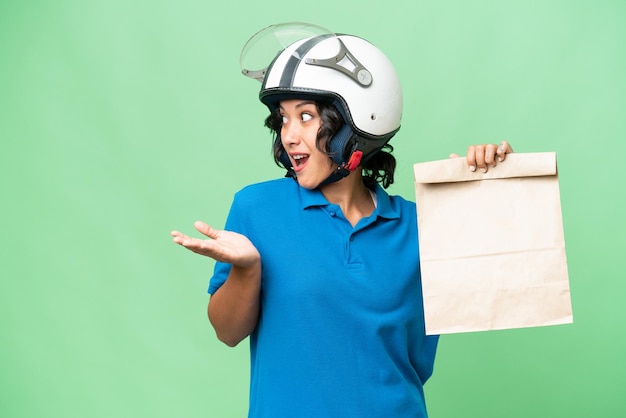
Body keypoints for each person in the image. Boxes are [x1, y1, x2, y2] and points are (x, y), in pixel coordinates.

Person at [171, 22, 513, 418]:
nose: (289, 136)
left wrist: (492, 187)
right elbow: (227, 332)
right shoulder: (255, 207)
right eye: (283, 119)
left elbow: (512, 283)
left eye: (306, 116)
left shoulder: (421, 225)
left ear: (358, 124)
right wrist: (247, 270)